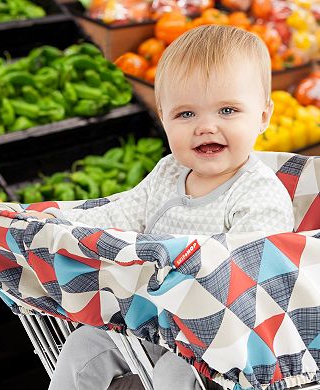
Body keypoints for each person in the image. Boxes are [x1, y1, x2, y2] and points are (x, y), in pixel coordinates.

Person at [28, 25, 294, 389]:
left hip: (230, 341)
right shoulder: (169, 171)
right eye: (186, 114)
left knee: (175, 372)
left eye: (227, 110)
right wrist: (61, 222)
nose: (206, 126)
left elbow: (254, 281)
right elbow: (117, 214)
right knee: (83, 346)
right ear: (163, 116)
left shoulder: (259, 193)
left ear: (263, 116)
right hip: (153, 321)